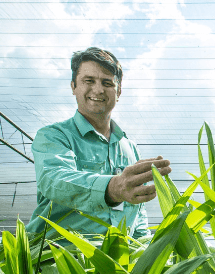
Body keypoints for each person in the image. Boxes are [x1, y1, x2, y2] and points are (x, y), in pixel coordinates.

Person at [26, 47, 171, 240]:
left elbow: (138, 213)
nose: (98, 89)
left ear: (118, 91)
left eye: (107, 83)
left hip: (116, 262)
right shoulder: (54, 136)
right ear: (73, 87)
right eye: (89, 81)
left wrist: (145, 251)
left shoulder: (130, 148)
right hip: (58, 258)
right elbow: (54, 180)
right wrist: (112, 188)